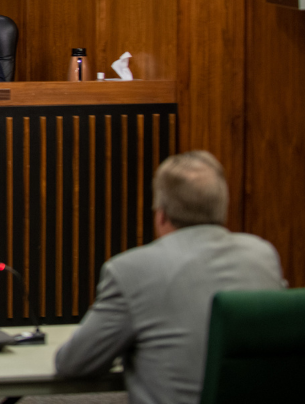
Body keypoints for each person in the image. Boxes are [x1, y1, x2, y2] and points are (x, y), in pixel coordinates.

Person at [55, 150, 285, 404]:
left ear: (161, 214)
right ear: (222, 206)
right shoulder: (262, 256)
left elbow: (74, 363)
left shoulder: (131, 270)